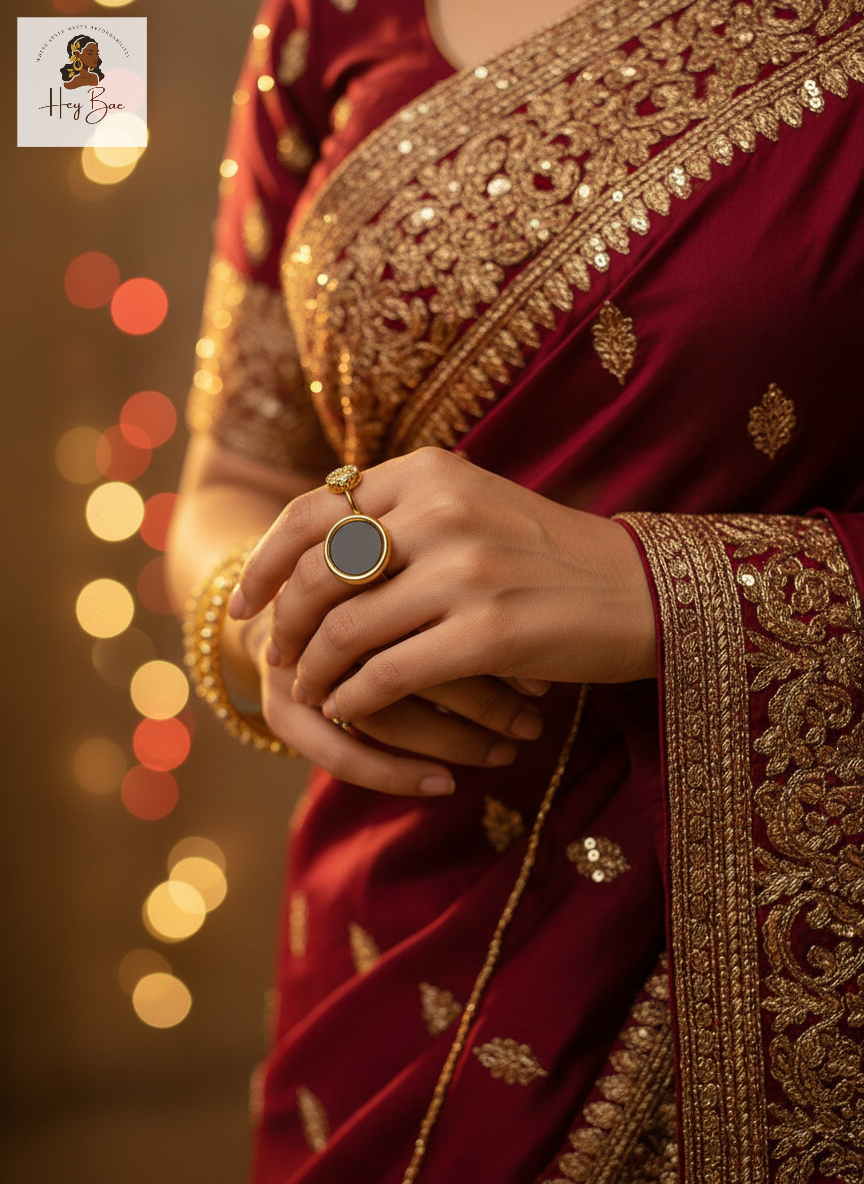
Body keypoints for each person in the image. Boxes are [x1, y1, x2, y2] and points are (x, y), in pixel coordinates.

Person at [168, 0, 864, 1180]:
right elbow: (231, 481)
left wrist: (665, 590)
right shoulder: (326, 20)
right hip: (392, 934)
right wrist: (280, 615)